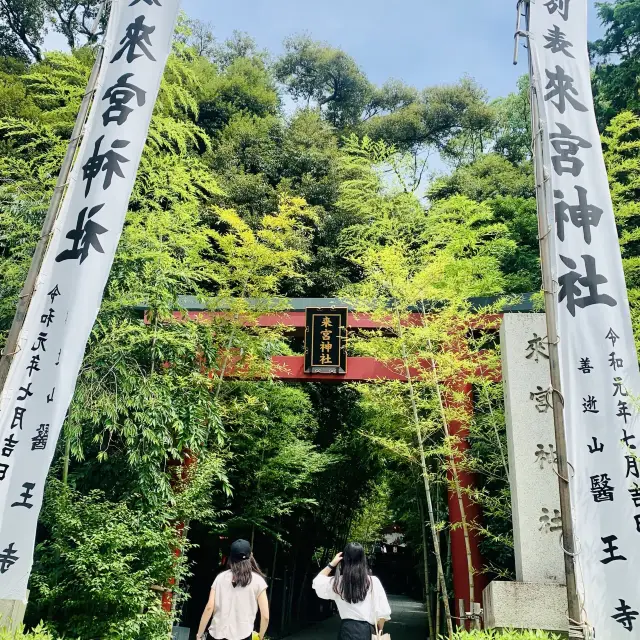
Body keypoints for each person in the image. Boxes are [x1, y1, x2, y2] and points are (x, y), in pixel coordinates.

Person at [312, 542, 391, 640]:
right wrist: (379, 630)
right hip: (366, 631)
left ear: (344, 559)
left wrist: (332, 564)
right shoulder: (373, 582)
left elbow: (317, 582)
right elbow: (383, 612)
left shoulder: (338, 582)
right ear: (363, 559)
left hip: (346, 630)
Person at [197, 539, 270, 640]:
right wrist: (260, 636)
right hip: (243, 636)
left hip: (216, 634)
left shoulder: (220, 578)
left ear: (230, 557)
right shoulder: (258, 581)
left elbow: (209, 607)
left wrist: (199, 634)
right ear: (251, 555)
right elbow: (265, 616)